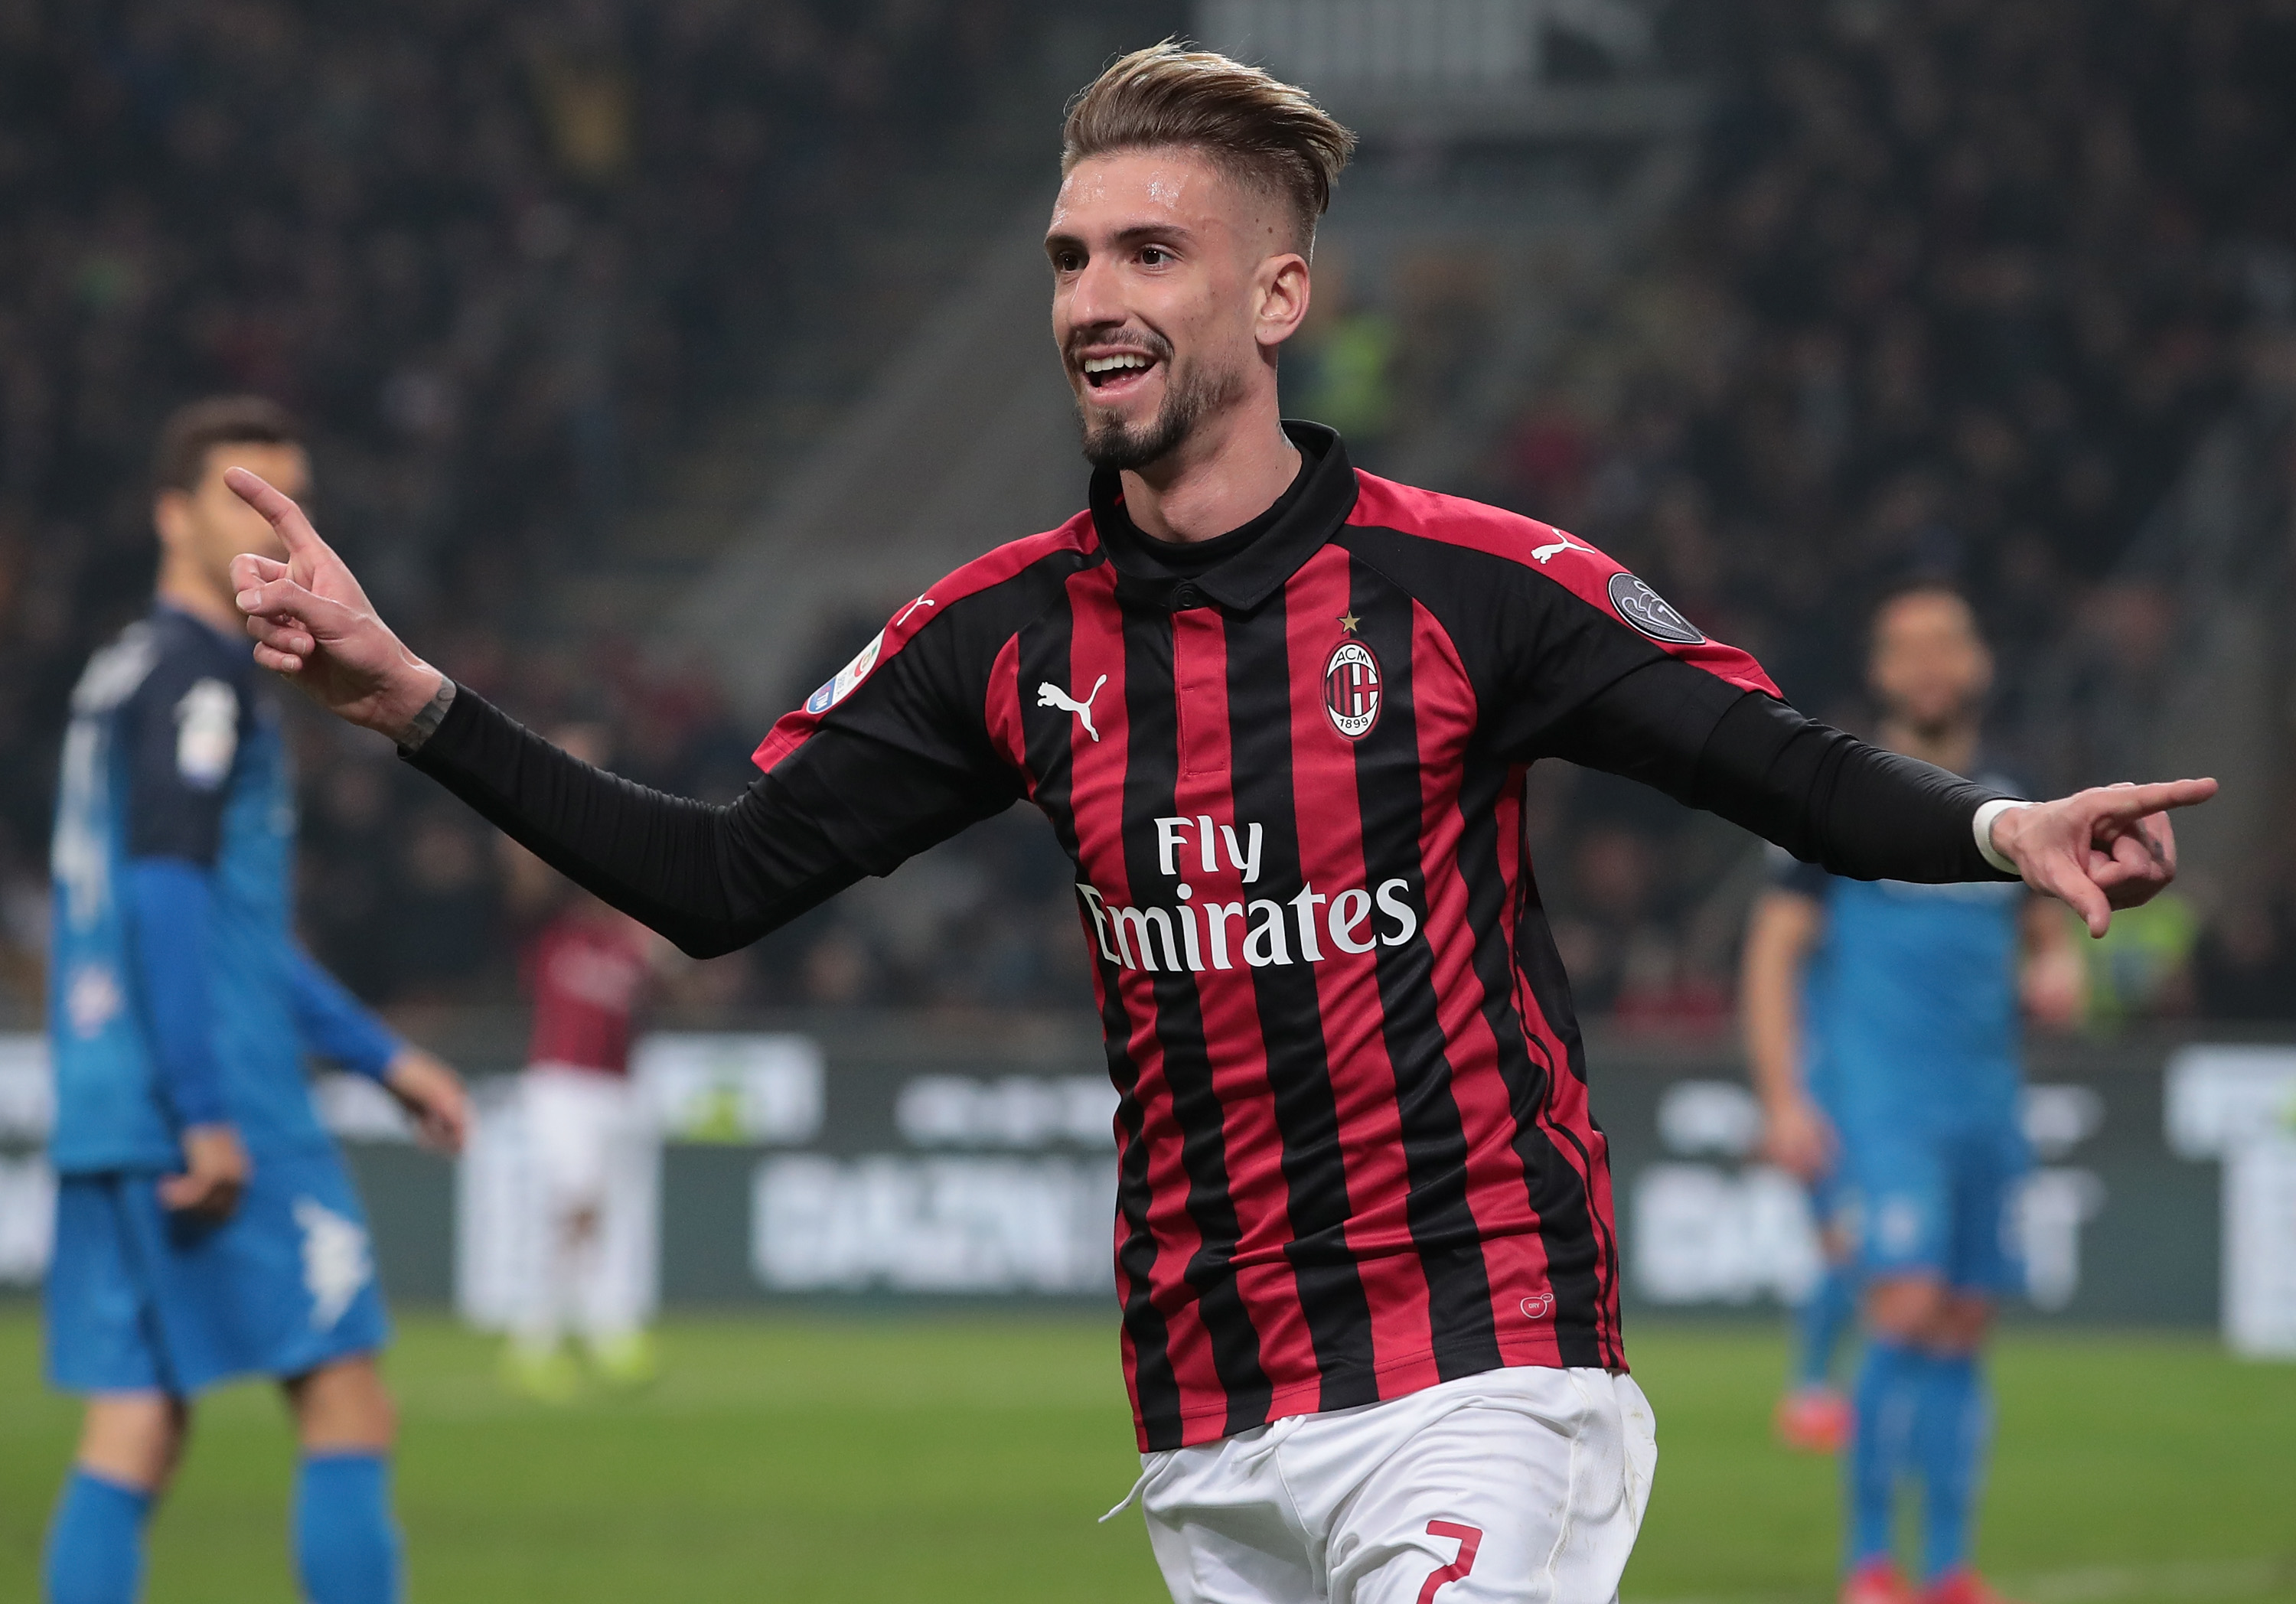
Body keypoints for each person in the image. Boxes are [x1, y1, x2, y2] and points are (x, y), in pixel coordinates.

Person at [227, 47, 2210, 1604]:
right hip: (1207, 1410)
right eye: (1071, 260)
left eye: (1147, 255)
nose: (1093, 298)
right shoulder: (997, 640)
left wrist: (2001, 824)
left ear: (1278, 291)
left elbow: (1773, 763)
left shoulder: (1473, 590)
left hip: (1483, 1360)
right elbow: (721, 879)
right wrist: (413, 701)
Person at [42, 396, 470, 1604]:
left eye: (286, 501)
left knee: (137, 1424)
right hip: (209, 1092)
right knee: (347, 1400)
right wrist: (206, 1112)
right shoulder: (202, 687)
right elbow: (169, 907)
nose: (269, 530)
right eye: (237, 496)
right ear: (168, 514)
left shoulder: (119, 674)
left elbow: (225, 931)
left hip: (106, 1097)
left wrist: (382, 1057)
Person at [1740, 585, 2083, 1604]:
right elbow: (1772, 955)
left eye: (1949, 645)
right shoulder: (1836, 798)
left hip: (1987, 1108)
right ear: (1881, 673)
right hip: (1881, 1111)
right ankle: (1869, 1566)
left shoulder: (2016, 805)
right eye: (1908, 649)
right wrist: (1783, 1099)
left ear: (1976, 664)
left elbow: (2045, 939)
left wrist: (2059, 966)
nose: (1931, 665)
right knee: (1906, 1305)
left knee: (1965, 1320)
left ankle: (1948, 1569)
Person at [500, 725, 672, 1400]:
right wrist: (559, 775)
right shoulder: (551, 928)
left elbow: (688, 985)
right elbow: (521, 862)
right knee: (577, 1204)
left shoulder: (631, 942)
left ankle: (602, 1331)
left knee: (602, 1216)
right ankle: (535, 1338)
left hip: (617, 1087)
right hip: (559, 1082)